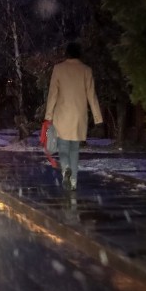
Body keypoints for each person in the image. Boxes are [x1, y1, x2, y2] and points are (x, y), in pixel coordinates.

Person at [42, 42, 103, 190]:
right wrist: (98, 118)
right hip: (78, 117)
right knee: (74, 149)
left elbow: (52, 94)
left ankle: (66, 169)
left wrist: (48, 115)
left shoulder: (59, 69)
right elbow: (91, 95)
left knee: (63, 148)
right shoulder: (86, 70)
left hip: (62, 115)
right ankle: (74, 182)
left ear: (67, 54)